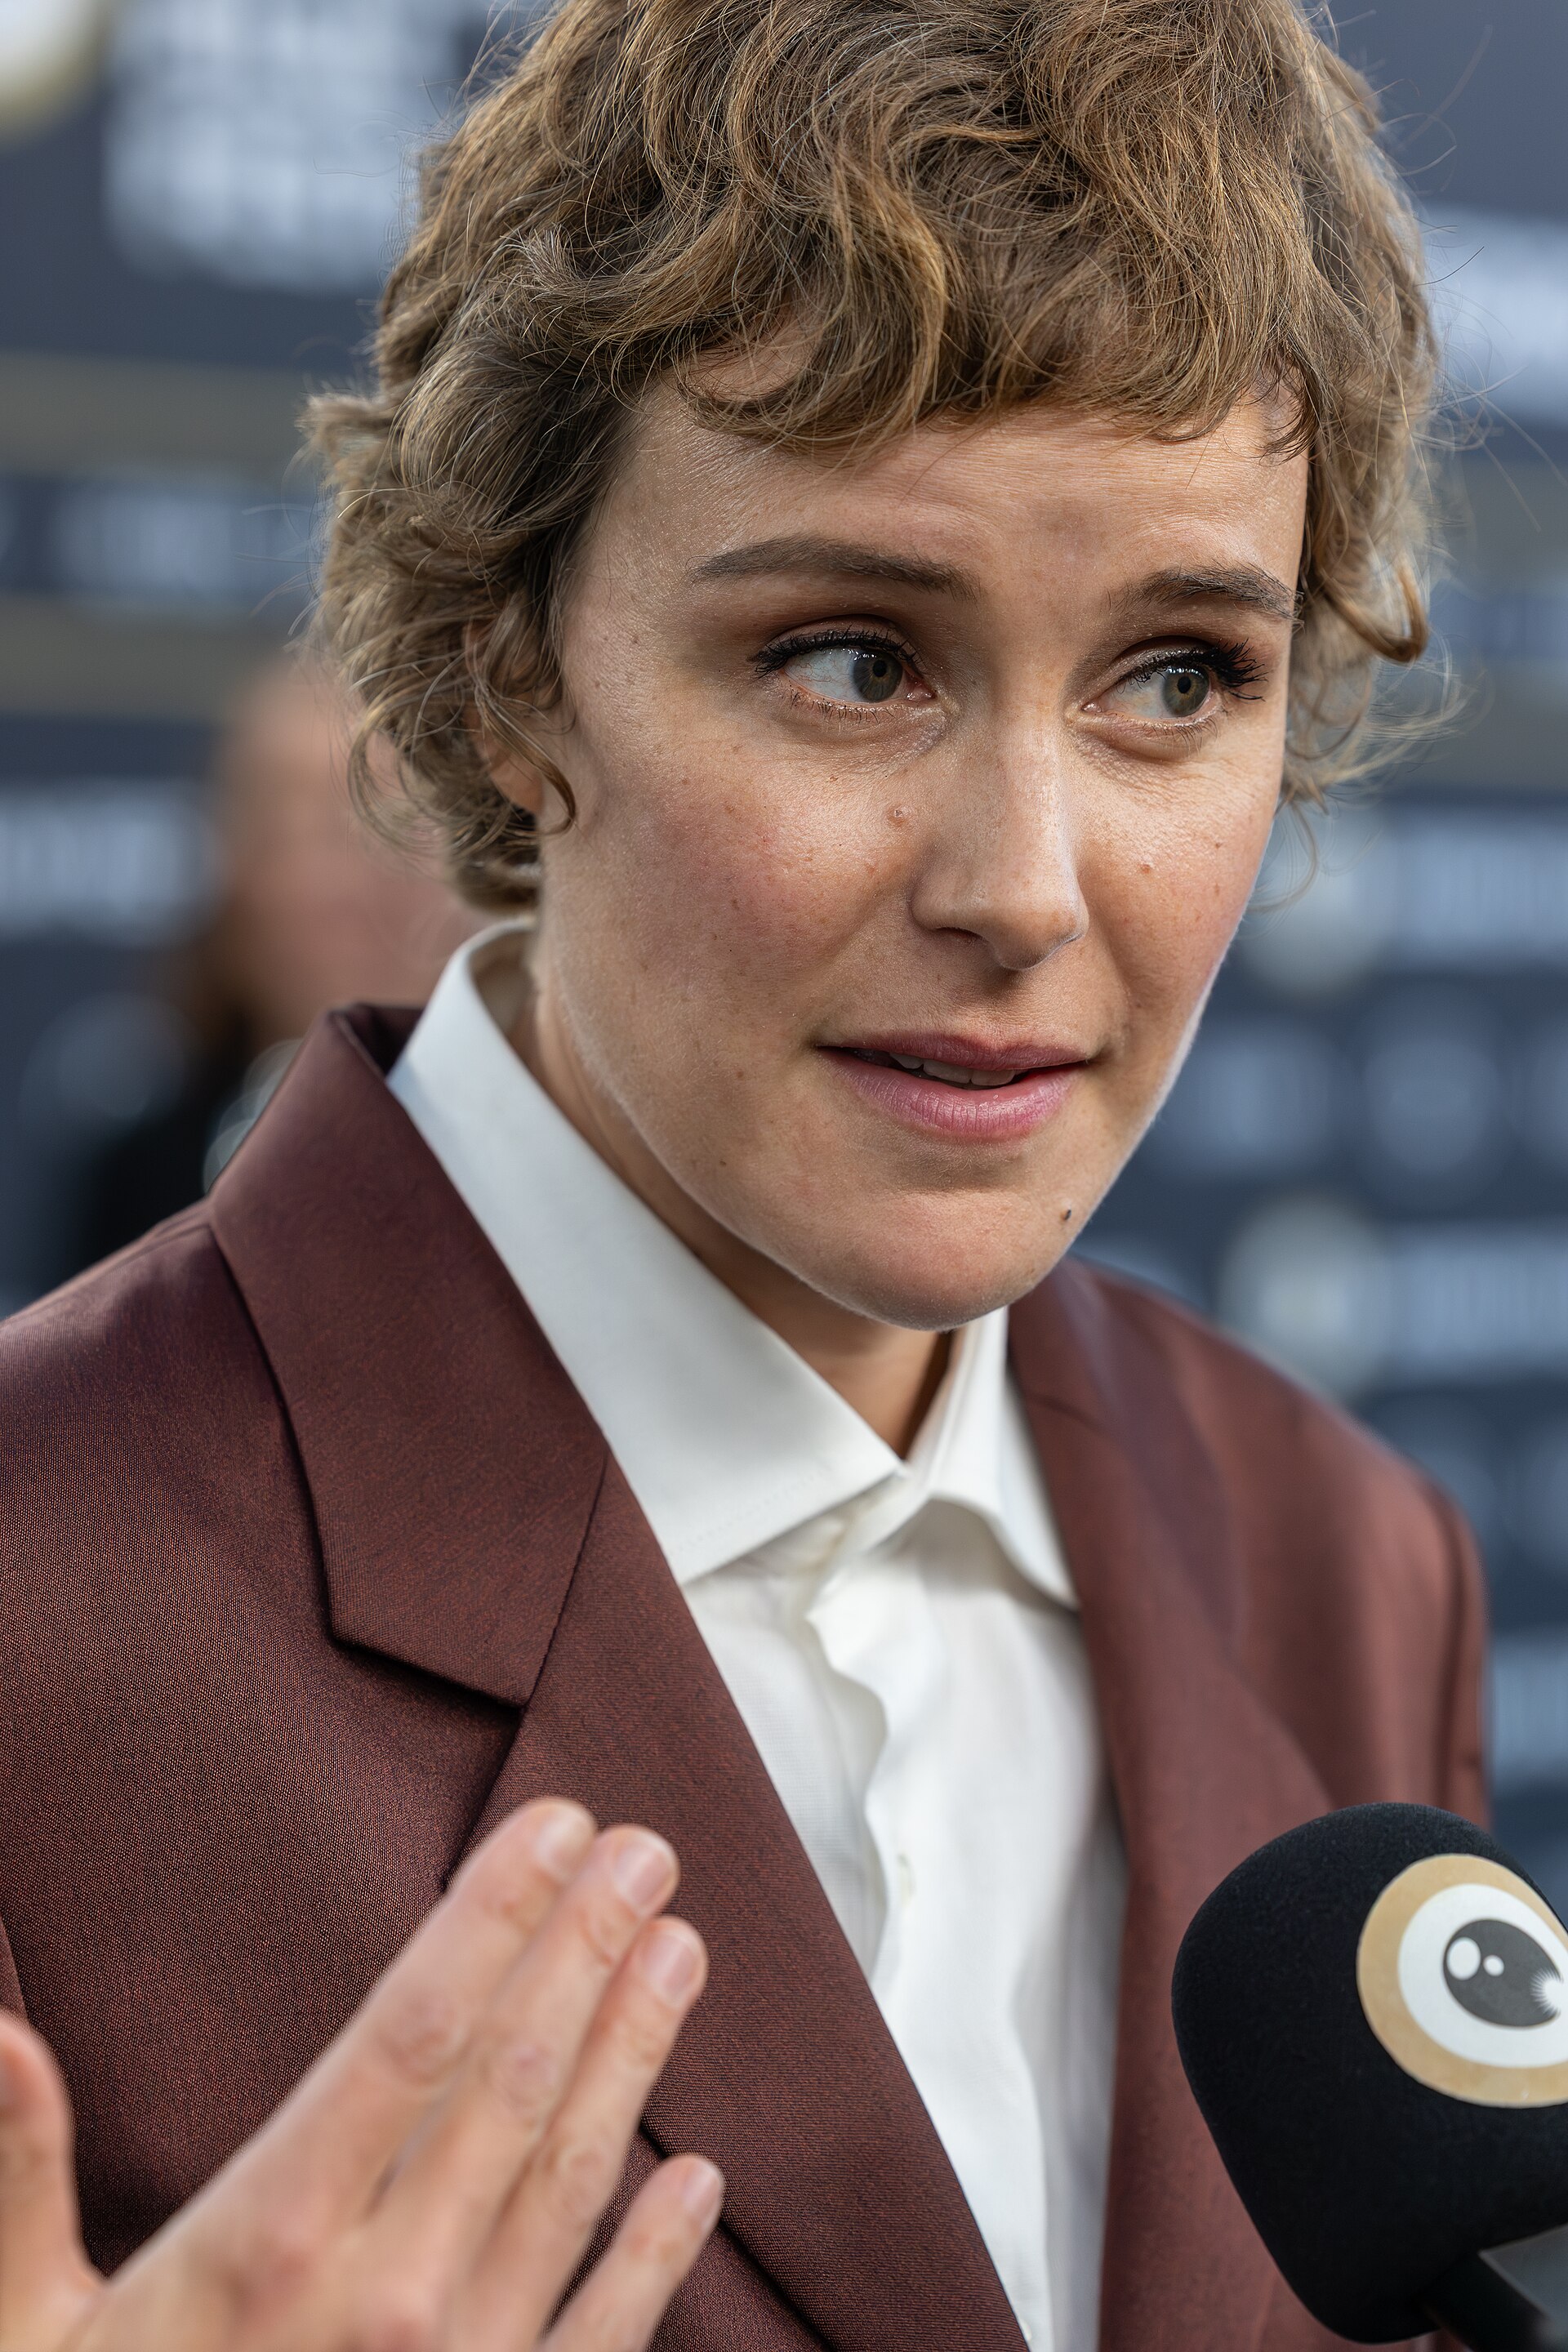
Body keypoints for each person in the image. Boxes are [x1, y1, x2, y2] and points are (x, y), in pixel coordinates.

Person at [0, 2, 1484, 2348]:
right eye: (850, 659)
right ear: (506, 667)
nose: (1028, 882)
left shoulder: (1345, 1558)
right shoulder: (34, 1614)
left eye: (1178, 677)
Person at [69, 653, 476, 1268]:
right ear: (238, 873)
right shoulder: (143, 1181)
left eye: (410, 822)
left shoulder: (542, 1152)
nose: (371, 882)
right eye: (325, 830)